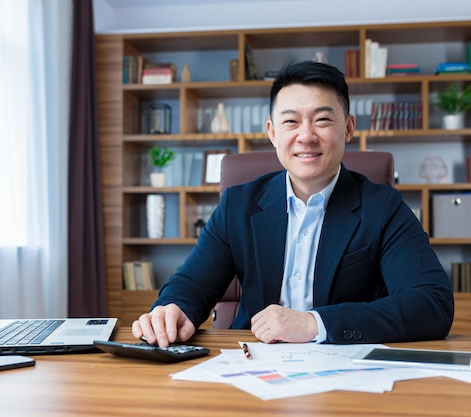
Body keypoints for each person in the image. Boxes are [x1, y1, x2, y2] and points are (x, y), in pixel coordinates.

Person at [132, 60, 454, 348]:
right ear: (272, 133)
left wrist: (315, 323)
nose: (306, 136)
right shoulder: (238, 205)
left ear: (348, 128)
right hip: (253, 366)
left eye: (323, 120)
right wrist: (173, 310)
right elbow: (191, 285)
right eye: (291, 122)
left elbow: (431, 303)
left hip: (346, 369)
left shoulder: (383, 207)